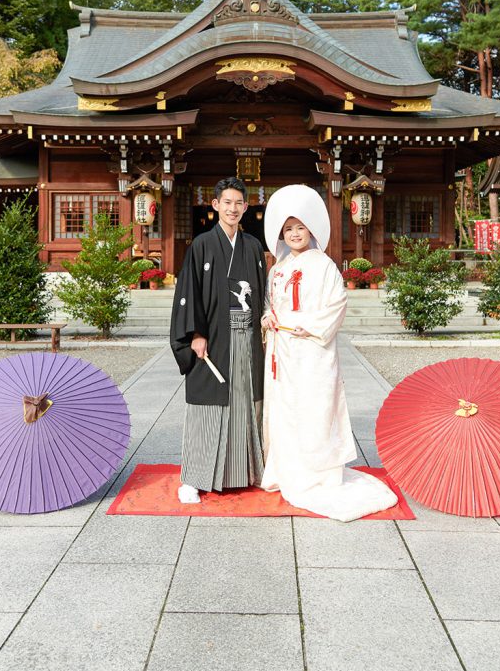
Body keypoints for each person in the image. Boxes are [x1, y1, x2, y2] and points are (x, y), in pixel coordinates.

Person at [260, 184, 398, 521]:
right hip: (281, 351)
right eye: (288, 229)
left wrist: (306, 324)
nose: (294, 234)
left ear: (310, 230)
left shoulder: (323, 266)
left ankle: (317, 475)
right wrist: (267, 318)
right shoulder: (277, 270)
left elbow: (337, 304)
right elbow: (270, 303)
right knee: (283, 409)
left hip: (312, 350)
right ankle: (286, 470)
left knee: (315, 408)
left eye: (300, 227)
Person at [170, 177, 266, 503]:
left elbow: (263, 292)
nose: (233, 208)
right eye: (227, 202)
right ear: (215, 205)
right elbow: (188, 292)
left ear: (246, 206)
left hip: (248, 337)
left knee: (245, 403)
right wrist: (195, 334)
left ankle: (244, 472)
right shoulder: (202, 245)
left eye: (239, 202)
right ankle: (193, 479)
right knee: (206, 405)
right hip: (213, 337)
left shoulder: (253, 246)